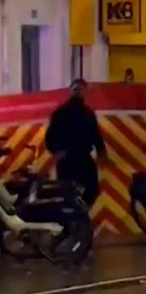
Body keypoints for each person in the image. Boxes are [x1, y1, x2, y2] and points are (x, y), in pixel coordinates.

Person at [45, 79, 106, 208]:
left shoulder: (87, 114)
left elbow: (96, 135)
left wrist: (101, 153)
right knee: (68, 193)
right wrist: (57, 151)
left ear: (85, 92)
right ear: (71, 92)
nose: (78, 92)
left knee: (90, 191)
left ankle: (79, 213)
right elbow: (50, 137)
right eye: (75, 89)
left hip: (81, 158)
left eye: (80, 89)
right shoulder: (61, 113)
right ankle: (73, 216)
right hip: (68, 159)